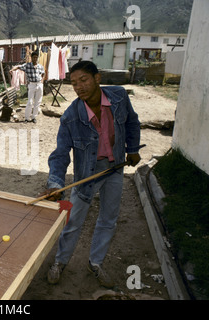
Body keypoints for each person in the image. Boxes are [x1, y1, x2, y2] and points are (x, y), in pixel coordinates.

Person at [43, 60, 141, 288]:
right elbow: (60, 154)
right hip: (87, 173)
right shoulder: (70, 117)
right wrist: (55, 183)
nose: (79, 87)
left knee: (108, 219)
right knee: (73, 222)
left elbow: (133, 123)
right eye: (74, 84)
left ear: (97, 78)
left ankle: (95, 263)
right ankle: (60, 262)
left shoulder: (119, 97)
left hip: (115, 167)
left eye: (83, 80)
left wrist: (133, 149)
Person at [11, 51, 45, 123]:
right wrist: (12, 70)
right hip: (32, 85)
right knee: (30, 102)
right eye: (34, 57)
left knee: (38, 102)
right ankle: (27, 118)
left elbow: (43, 73)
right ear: (31, 58)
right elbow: (18, 67)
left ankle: (34, 117)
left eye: (36, 57)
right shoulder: (27, 65)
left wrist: (42, 81)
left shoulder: (40, 66)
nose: (35, 59)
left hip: (39, 84)